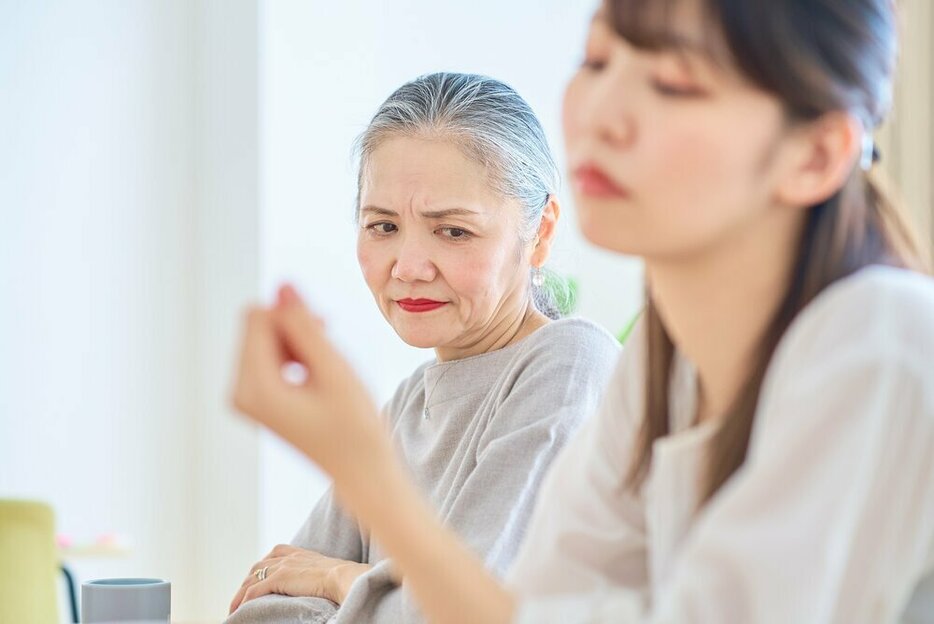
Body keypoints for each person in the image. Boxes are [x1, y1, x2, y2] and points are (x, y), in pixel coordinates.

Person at [230, 1, 934, 622]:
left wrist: (366, 485)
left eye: (674, 84)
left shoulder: (879, 345)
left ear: (815, 155)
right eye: (597, 60)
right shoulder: (663, 370)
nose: (602, 113)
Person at [225, 72, 620, 623]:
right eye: (383, 226)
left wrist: (340, 577)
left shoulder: (570, 367)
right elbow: (266, 605)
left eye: (453, 231)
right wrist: (379, 597)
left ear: (541, 232)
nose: (408, 267)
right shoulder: (409, 404)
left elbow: (476, 615)